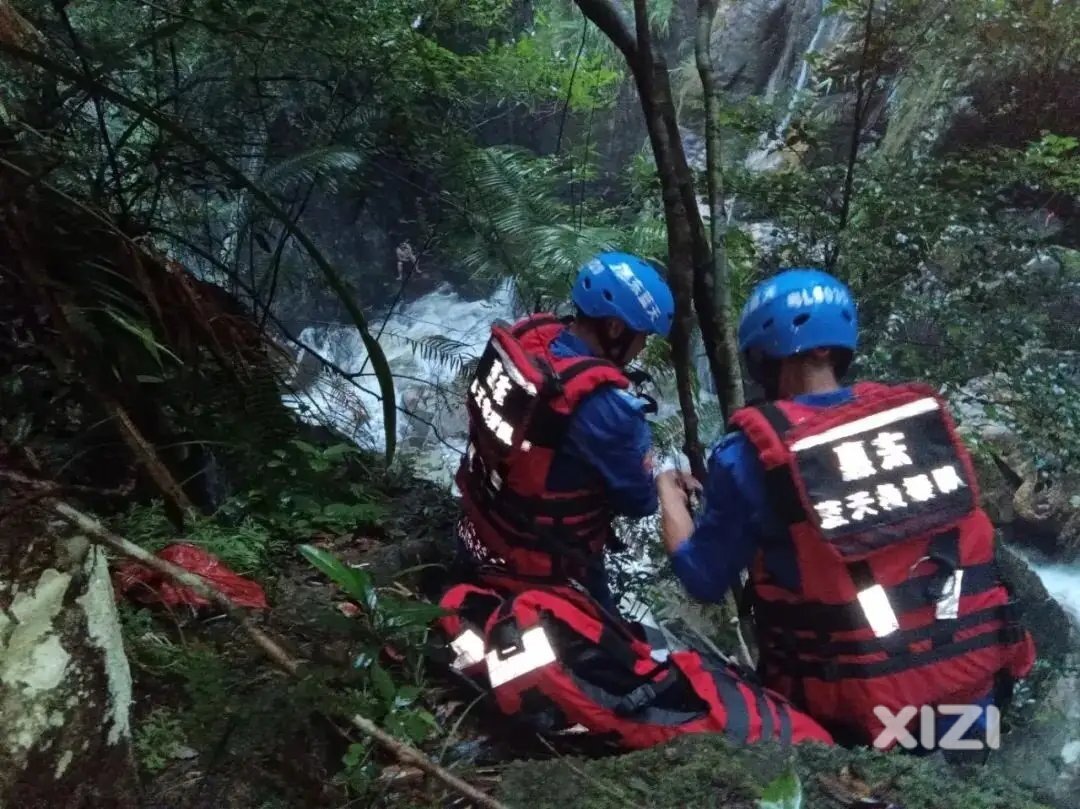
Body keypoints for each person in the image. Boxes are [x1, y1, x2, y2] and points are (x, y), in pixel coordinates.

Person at [656, 267, 1036, 753]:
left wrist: (667, 491)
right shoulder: (915, 424)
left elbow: (702, 578)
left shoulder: (746, 456)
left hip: (858, 718)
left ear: (760, 356)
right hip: (976, 691)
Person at [453, 252, 673, 613]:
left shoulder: (528, 339)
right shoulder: (609, 409)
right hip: (544, 568)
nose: (643, 347)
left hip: (478, 528)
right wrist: (666, 481)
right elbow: (639, 501)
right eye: (643, 336)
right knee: (617, 656)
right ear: (616, 329)